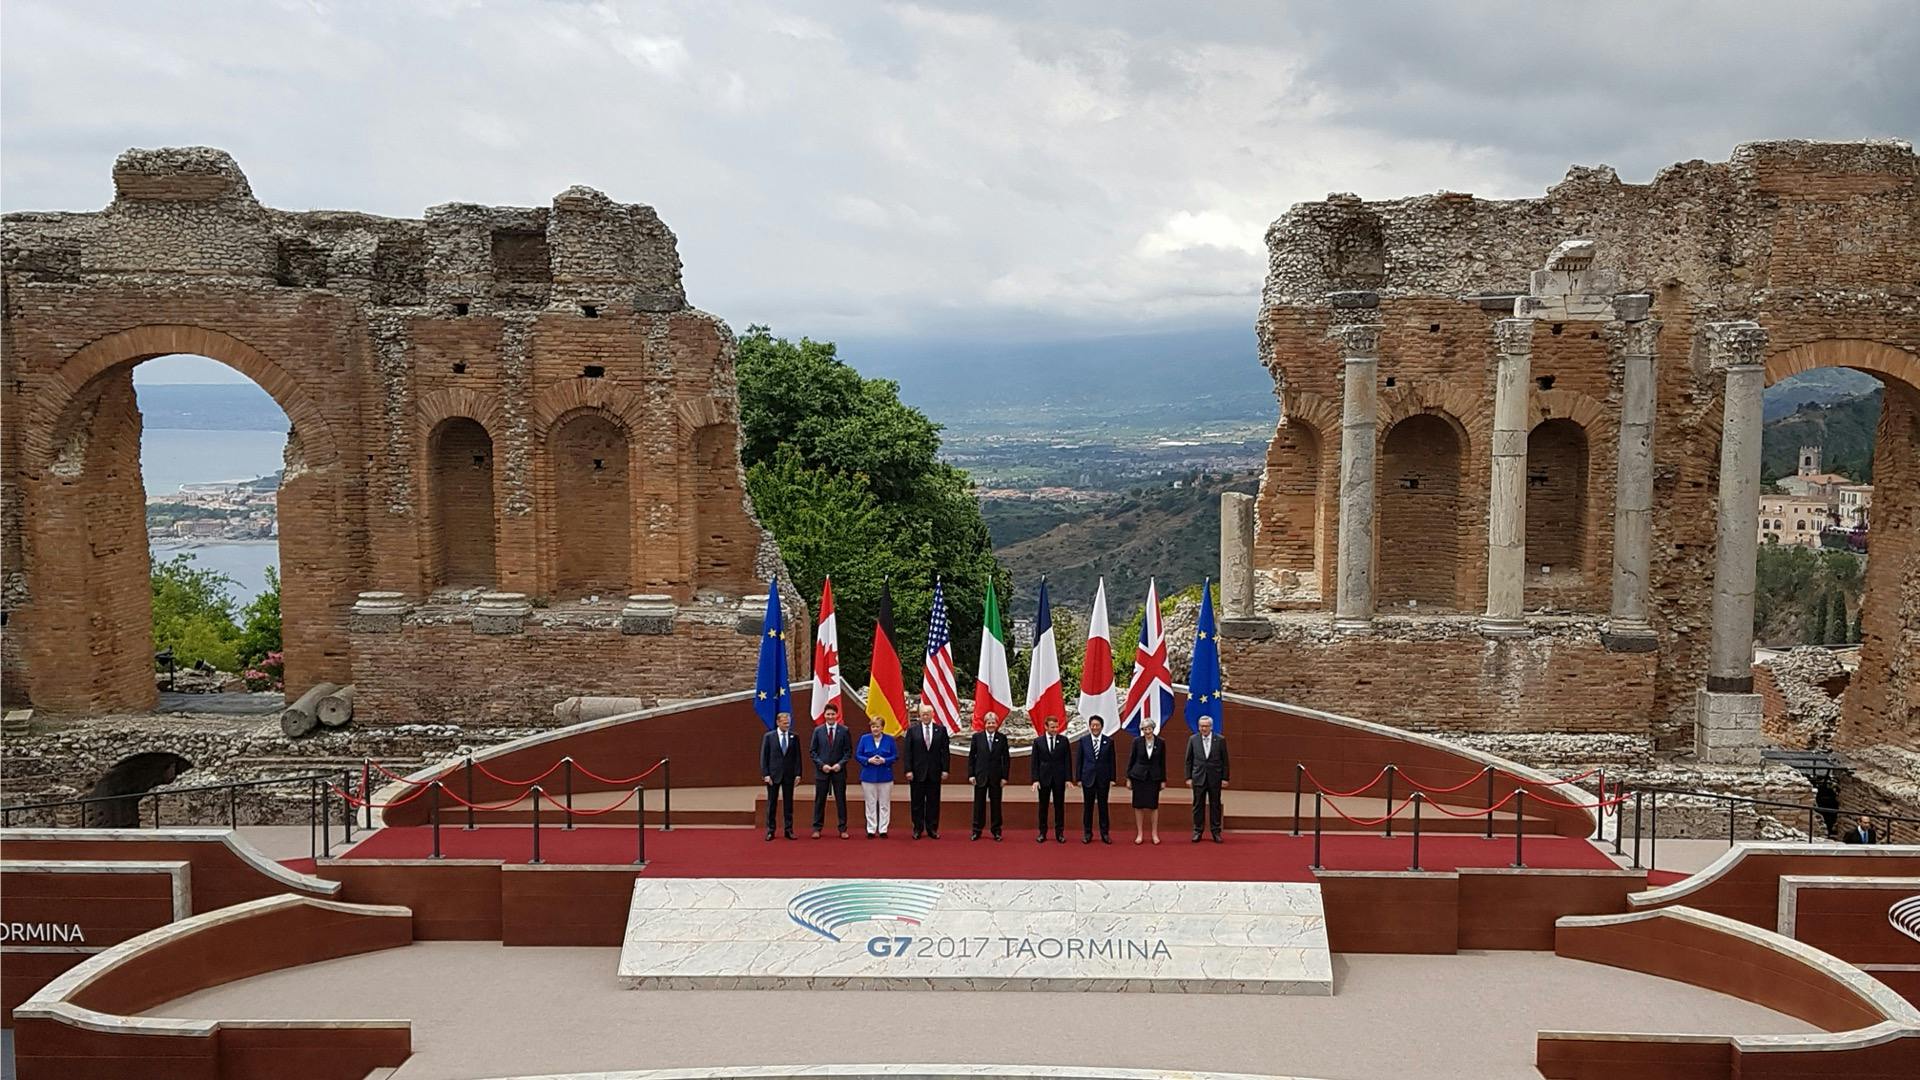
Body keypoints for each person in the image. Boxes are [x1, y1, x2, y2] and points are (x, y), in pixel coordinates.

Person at [904, 695, 951, 840]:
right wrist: (908, 770)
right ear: (919, 715)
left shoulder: (941, 730)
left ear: (932, 715)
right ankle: (918, 828)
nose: (925, 716)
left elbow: (945, 752)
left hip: (934, 772)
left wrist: (945, 769)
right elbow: (908, 752)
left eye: (928, 714)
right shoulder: (912, 731)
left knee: (933, 802)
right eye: (923, 714)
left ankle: (932, 829)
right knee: (917, 802)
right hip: (917, 773)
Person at [809, 701, 852, 839]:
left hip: (839, 772)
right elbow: (813, 752)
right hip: (822, 772)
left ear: (836, 715)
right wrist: (822, 765)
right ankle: (817, 828)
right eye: (828, 714)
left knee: (841, 800)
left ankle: (842, 829)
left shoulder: (844, 730)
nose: (830, 716)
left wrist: (840, 764)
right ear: (824, 715)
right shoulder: (818, 731)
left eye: (833, 714)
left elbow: (848, 751)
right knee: (819, 801)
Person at [1186, 715, 1229, 843]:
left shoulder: (1220, 740)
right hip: (1198, 777)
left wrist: (1225, 778)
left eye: (1206, 726)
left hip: (1215, 778)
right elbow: (1188, 760)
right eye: (1201, 726)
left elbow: (1225, 761)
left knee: (1215, 805)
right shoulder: (1193, 739)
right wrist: (1188, 777)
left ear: (1211, 727)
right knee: (1198, 805)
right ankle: (1197, 831)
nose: (1203, 728)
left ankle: (1216, 831)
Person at [969, 713, 1011, 841]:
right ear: (985, 724)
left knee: (996, 805)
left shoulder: (1002, 738)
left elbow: (1006, 759)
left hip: (996, 778)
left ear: (997, 724)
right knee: (979, 805)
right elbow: (972, 757)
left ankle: (996, 831)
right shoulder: (977, 737)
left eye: (993, 723)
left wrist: (1005, 777)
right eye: (989, 723)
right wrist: (971, 774)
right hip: (980, 776)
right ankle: (977, 830)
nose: (991, 725)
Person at [1030, 714, 1072, 843]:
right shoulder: (1038, 742)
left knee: (1059, 807)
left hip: (1059, 778)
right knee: (1043, 807)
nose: (1055, 729)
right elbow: (1034, 762)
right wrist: (1035, 780)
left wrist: (1068, 779)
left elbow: (1067, 761)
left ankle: (1059, 833)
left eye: (1056, 727)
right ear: (1046, 727)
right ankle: (1042, 832)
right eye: (1052, 727)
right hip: (1044, 779)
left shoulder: (1064, 741)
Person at [760, 711, 801, 841]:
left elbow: (798, 757)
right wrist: (765, 774)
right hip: (773, 775)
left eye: (788, 723)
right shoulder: (769, 737)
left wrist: (798, 774)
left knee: (788, 804)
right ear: (778, 723)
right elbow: (764, 757)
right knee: (772, 803)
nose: (786, 725)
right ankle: (770, 830)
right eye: (784, 723)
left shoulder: (794, 737)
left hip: (789, 775)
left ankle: (788, 830)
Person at [1076, 715, 1116, 844]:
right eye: (1092, 725)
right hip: (1087, 778)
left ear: (1102, 726)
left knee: (1103, 807)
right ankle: (1087, 833)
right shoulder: (1083, 741)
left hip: (1103, 779)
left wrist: (1112, 778)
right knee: (1088, 807)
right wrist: (1078, 778)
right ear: (1089, 726)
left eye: (1097, 725)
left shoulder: (1108, 741)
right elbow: (1079, 761)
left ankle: (1105, 833)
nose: (1095, 727)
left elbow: (1112, 761)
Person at [857, 716, 898, 838]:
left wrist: (885, 760)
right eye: (873, 726)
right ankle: (871, 829)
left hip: (885, 775)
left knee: (884, 803)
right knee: (870, 803)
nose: (875, 729)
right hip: (868, 776)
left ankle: (883, 829)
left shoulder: (889, 739)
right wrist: (868, 760)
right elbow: (858, 755)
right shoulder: (864, 739)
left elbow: (895, 756)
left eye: (877, 726)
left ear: (882, 728)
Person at [1125, 723, 1167, 845]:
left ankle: (1154, 833)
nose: (1147, 731)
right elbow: (1131, 759)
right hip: (1138, 777)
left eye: (1149, 728)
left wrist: (1163, 780)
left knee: (1153, 806)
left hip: (1154, 777)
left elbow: (1162, 762)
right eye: (1144, 729)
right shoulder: (1137, 741)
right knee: (1138, 805)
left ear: (1153, 729)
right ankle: (1140, 833)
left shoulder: (1160, 742)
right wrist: (1128, 778)